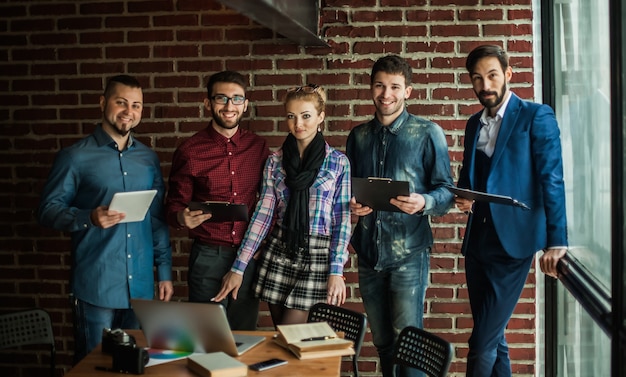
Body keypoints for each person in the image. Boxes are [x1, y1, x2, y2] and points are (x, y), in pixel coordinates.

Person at [37, 74, 173, 363]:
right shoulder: (74, 157)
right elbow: (47, 210)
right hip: (96, 284)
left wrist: (163, 272)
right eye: (121, 102)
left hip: (140, 289)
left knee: (133, 364)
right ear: (103, 103)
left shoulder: (148, 159)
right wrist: (88, 217)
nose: (129, 111)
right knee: (94, 365)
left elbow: (157, 220)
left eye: (136, 105)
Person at [455, 45, 568, 377]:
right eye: (477, 79)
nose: (485, 85)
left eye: (492, 75)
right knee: (495, 339)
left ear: (507, 74)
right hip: (478, 243)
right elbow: (468, 179)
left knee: (481, 344)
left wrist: (556, 242)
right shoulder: (473, 124)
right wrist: (463, 197)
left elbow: (553, 180)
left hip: (513, 244)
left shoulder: (536, 116)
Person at [346, 55, 454, 377]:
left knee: (409, 347)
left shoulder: (428, 133)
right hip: (368, 253)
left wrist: (424, 201)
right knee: (382, 343)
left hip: (408, 253)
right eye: (380, 85)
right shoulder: (358, 137)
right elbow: (348, 189)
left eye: (395, 86)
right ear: (371, 88)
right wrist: (351, 205)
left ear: (408, 91)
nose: (386, 94)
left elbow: (447, 191)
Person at [214, 84, 352, 326]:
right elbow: (263, 216)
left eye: (306, 116)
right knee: (284, 340)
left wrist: (336, 270)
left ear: (321, 117)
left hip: (316, 256)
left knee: (291, 333)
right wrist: (239, 268)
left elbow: (342, 220)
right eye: (291, 116)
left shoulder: (338, 162)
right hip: (280, 251)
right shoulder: (275, 161)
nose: (298, 123)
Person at [165, 71, 270, 330]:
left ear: (245, 104)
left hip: (248, 256)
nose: (229, 106)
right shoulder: (190, 151)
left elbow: (271, 200)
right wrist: (181, 217)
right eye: (221, 98)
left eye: (236, 99)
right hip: (208, 255)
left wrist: (262, 243)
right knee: (208, 336)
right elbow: (173, 205)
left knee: (245, 335)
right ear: (208, 103)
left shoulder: (259, 147)